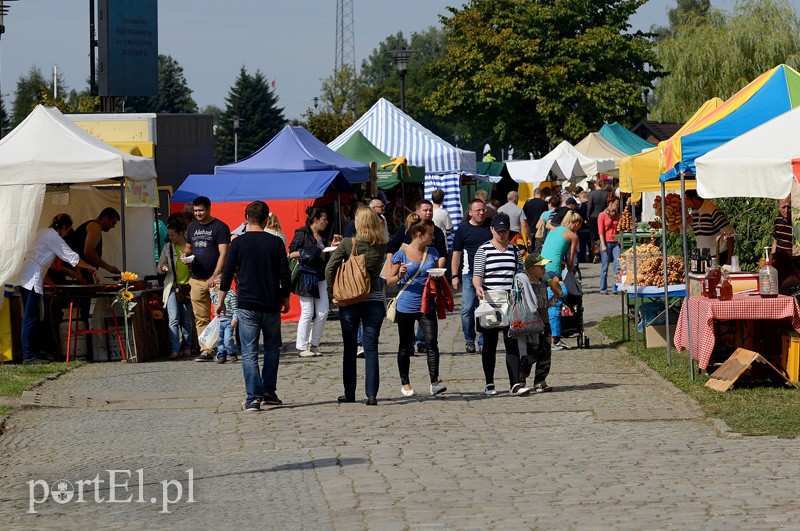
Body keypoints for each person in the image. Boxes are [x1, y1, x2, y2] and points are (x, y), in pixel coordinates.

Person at [217, 200, 290, 412]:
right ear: (267, 219)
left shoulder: (238, 243)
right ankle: (269, 391)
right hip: (271, 303)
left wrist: (221, 300)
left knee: (249, 352)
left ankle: (253, 398)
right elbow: (284, 273)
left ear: (246, 218)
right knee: (271, 349)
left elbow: (228, 272)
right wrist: (285, 297)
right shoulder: (276, 242)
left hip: (247, 303)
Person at [14, 213, 96, 364]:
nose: (66, 235)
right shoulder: (53, 237)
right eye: (67, 231)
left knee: (32, 316)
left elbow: (49, 263)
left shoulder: (42, 233)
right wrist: (91, 268)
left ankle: (33, 353)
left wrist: (66, 275)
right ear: (64, 228)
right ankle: (29, 357)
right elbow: (72, 257)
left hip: (27, 274)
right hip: (31, 277)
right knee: (30, 317)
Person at [325, 206, 387, 406]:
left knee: (349, 348)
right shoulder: (381, 244)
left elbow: (329, 268)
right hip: (374, 298)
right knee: (371, 348)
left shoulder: (347, 243)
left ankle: (349, 393)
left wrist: (332, 294)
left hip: (350, 300)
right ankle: (371, 394)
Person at [387, 216, 446, 397]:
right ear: (419, 234)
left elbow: (435, 271)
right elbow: (390, 280)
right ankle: (405, 383)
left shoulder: (433, 252)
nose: (433, 238)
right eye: (430, 235)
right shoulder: (401, 254)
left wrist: (437, 277)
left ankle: (434, 383)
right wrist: (400, 275)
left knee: (432, 342)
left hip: (426, 303)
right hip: (406, 304)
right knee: (405, 345)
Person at [472, 213, 529, 396]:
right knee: (489, 343)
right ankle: (489, 383)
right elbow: (477, 275)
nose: (502, 235)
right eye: (498, 231)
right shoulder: (484, 250)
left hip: (511, 300)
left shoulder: (514, 251)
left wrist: (521, 284)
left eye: (504, 231)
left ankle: (514, 383)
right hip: (490, 299)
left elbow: (519, 272)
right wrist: (478, 287)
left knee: (511, 341)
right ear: (491, 230)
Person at [387, 199, 448, 353]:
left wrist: (437, 269)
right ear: (417, 211)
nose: (428, 213)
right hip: (409, 285)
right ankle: (410, 346)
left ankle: (422, 341)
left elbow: (442, 253)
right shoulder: (406, 229)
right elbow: (392, 247)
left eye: (430, 210)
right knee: (406, 335)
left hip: (429, 280)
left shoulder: (437, 231)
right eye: (425, 210)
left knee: (426, 313)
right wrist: (392, 267)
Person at [183, 196, 231, 362]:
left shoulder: (220, 227)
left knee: (222, 314)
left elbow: (224, 253)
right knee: (200, 317)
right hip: (196, 278)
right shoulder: (191, 228)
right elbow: (188, 247)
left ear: (209, 208)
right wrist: (184, 255)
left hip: (216, 279)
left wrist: (215, 275)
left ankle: (225, 347)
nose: (198, 214)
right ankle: (206, 349)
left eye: (201, 210)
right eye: (195, 211)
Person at [451, 198, 492, 354]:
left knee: (485, 309)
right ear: (470, 213)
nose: (481, 213)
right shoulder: (463, 229)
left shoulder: (490, 226)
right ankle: (469, 339)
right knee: (467, 309)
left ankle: (483, 341)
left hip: (488, 274)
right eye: (478, 211)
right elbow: (456, 253)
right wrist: (454, 275)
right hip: (469, 274)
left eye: (483, 210)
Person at [289, 207, 331, 358]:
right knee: (307, 311)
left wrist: (332, 247)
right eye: (324, 219)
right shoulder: (302, 233)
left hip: (320, 275)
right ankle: (301, 347)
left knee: (323, 311)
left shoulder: (323, 236)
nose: (326, 222)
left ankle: (314, 344)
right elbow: (291, 253)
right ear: (316, 220)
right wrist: (309, 253)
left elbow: (324, 255)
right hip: (305, 276)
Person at [515, 254, 561, 393]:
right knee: (531, 353)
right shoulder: (525, 285)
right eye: (540, 267)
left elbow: (545, 305)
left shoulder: (543, 285)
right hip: (531, 325)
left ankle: (540, 380)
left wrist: (555, 296)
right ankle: (521, 378)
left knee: (545, 353)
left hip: (544, 323)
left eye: (544, 267)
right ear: (530, 269)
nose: (544, 269)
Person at [158, 217, 194, 360]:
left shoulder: (190, 246)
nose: (170, 237)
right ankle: (174, 349)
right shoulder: (168, 247)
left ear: (181, 233)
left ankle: (187, 346)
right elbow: (160, 266)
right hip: (172, 286)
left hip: (188, 286)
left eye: (172, 235)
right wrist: (163, 267)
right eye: (169, 234)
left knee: (187, 320)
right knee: (173, 318)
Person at [68, 207, 122, 278]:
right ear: (105, 218)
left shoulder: (92, 225)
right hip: (82, 272)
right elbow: (88, 252)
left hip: (84, 270)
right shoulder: (95, 226)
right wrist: (108, 267)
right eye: (112, 223)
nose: (113, 226)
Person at [685, 190, 734, 265]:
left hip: (719, 257)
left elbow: (730, 234)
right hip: (703, 258)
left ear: (693, 199)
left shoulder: (712, 211)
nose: (684, 202)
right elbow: (682, 230)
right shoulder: (694, 214)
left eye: (686, 199)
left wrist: (729, 260)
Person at [541, 211, 581, 280]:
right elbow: (570, 261)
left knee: (546, 289)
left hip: (541, 267)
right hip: (553, 269)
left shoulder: (553, 229)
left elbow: (549, 250)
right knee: (559, 290)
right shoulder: (573, 236)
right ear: (577, 224)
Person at [210, 273, 239, 364]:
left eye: (219, 283)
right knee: (219, 340)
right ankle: (221, 355)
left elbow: (235, 309)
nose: (217, 286)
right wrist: (212, 292)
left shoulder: (231, 294)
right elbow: (214, 301)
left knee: (228, 339)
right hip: (219, 321)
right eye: (216, 284)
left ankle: (232, 353)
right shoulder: (217, 294)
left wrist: (234, 319)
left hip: (228, 320)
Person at [598, 195, 621, 295]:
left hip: (615, 242)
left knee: (617, 265)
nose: (617, 206)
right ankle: (603, 288)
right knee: (605, 266)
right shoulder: (602, 215)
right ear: (610, 204)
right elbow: (601, 231)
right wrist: (603, 244)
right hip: (606, 242)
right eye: (616, 204)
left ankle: (615, 287)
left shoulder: (617, 215)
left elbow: (619, 227)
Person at [587, 178, 610, 263]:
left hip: (594, 216)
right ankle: (603, 254)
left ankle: (595, 254)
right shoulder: (607, 194)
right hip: (604, 216)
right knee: (602, 235)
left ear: (596, 184)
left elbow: (590, 206)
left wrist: (588, 216)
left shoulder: (592, 194)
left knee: (593, 237)